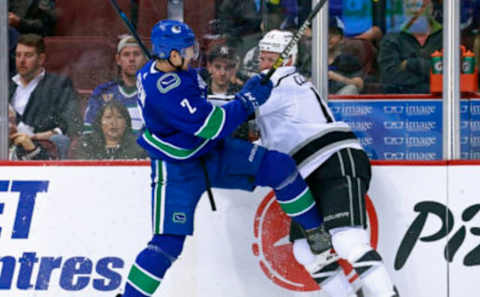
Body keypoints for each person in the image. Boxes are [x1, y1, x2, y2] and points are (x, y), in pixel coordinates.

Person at [116, 19, 327, 297]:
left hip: (210, 151)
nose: (193, 54)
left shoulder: (167, 70)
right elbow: (214, 125)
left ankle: (316, 232)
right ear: (172, 55)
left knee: (280, 167)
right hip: (177, 170)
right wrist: (248, 101)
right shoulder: (164, 90)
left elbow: (203, 109)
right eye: (187, 50)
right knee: (166, 244)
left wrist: (241, 96)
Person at [256, 29, 398, 297]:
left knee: (347, 241)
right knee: (306, 250)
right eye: (261, 57)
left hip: (334, 160)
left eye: (268, 58)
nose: (262, 64)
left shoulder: (281, 83)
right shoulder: (274, 86)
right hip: (309, 171)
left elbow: (229, 112)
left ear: (286, 60)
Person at [8, 33, 83, 159]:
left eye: (28, 55)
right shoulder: (6, 86)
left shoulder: (59, 85)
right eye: (18, 55)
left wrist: (35, 137)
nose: (21, 60)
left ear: (41, 59)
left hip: (42, 153)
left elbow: (72, 124)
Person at [83, 35, 147, 136]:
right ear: (118, 59)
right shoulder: (102, 92)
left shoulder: (153, 94)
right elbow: (89, 131)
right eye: (126, 54)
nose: (131, 59)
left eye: (136, 54)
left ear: (144, 58)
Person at [378, 0, 442, 94]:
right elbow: (389, 79)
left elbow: (450, 77)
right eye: (410, 6)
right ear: (404, 9)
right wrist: (430, 72)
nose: (414, 11)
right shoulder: (391, 39)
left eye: (419, 6)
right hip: (401, 103)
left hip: (442, 102)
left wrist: (412, 64)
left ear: (430, 8)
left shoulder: (446, 37)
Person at [203, 44, 252, 140]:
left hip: (237, 149)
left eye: (228, 68)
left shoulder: (244, 95)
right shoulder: (198, 93)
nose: (222, 73)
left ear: (234, 69)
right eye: (217, 67)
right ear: (209, 67)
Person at [72, 101, 147, 160]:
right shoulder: (87, 144)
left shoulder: (139, 146)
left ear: (126, 122)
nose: (113, 122)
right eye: (108, 117)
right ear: (100, 122)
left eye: (119, 117)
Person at [328, 17, 364, 95]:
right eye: (324, 33)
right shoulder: (310, 60)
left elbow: (359, 85)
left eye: (333, 33)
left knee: (351, 89)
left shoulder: (349, 59)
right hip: (315, 101)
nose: (328, 37)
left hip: (340, 102)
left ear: (342, 39)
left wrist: (338, 78)